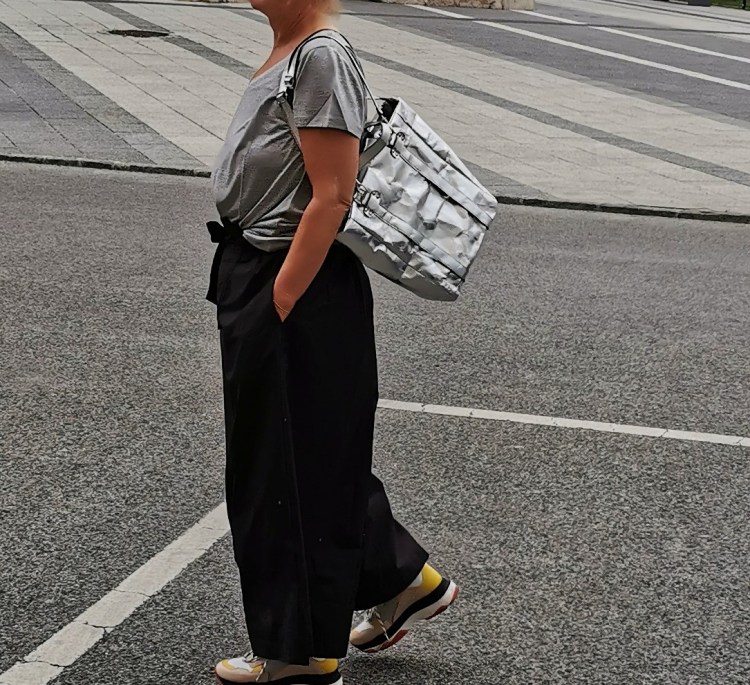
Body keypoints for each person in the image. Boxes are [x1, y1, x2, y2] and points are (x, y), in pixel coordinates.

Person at [207, 1, 457, 682]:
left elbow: (333, 194)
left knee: (282, 475)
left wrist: (281, 297)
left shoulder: (320, 57)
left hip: (293, 285)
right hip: (265, 274)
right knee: (310, 460)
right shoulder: (295, 51)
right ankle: (403, 581)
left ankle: (301, 656)